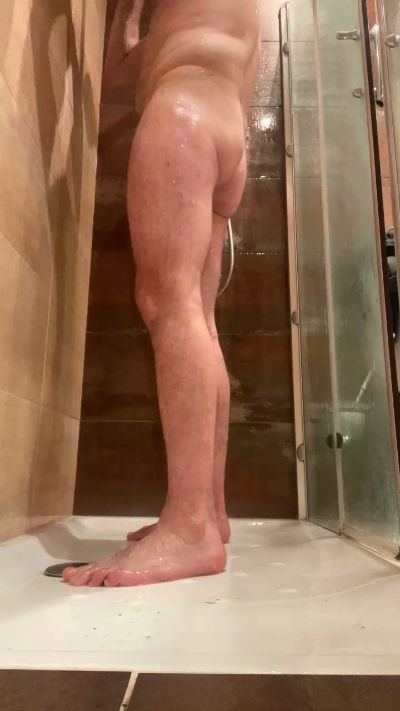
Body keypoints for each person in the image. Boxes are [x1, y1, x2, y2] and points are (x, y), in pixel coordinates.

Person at [64, 0, 261, 587]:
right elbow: (121, 73)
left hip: (184, 113)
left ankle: (191, 526)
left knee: (168, 304)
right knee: (197, 317)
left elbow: (113, 72)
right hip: (223, 127)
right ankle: (208, 513)